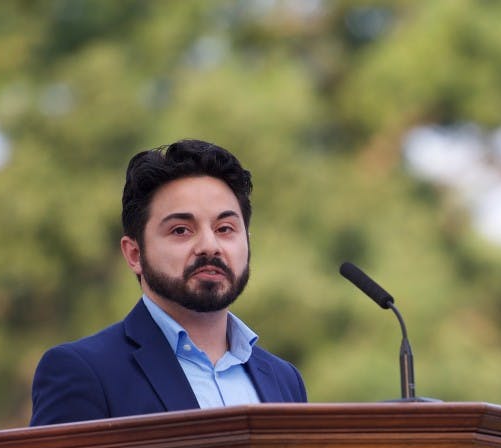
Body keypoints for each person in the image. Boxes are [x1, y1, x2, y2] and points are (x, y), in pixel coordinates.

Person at [29, 139, 307, 427]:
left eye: (225, 229)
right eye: (181, 230)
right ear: (135, 254)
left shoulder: (284, 380)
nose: (209, 246)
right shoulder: (84, 372)